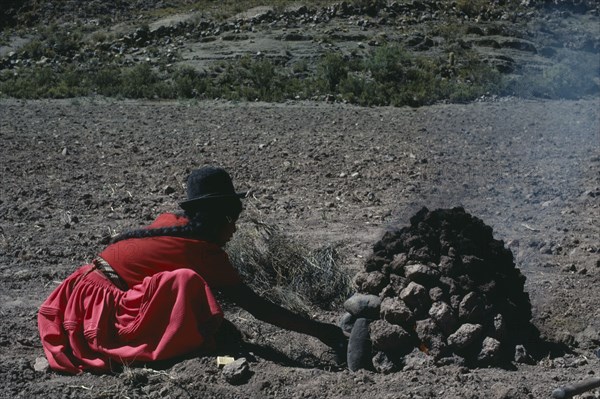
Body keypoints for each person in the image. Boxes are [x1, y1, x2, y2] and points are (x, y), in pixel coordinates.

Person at [38, 166, 346, 374]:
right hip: (98, 314)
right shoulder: (204, 253)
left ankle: (198, 343)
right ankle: (182, 350)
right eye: (233, 222)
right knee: (186, 282)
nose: (235, 231)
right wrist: (324, 332)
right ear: (222, 219)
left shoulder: (170, 224)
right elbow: (259, 309)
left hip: (80, 294)